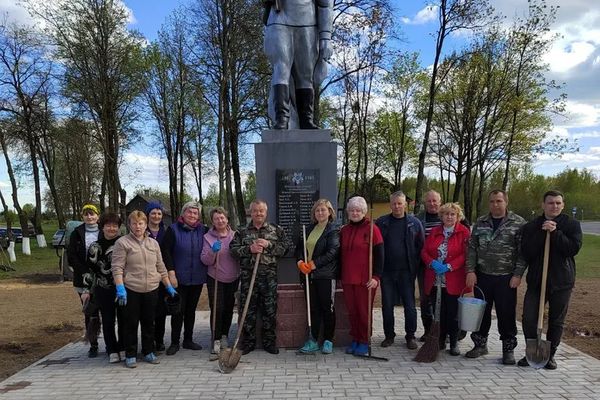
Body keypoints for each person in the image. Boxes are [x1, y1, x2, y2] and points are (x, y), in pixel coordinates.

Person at [517, 190, 582, 370]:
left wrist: (555, 233)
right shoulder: (532, 226)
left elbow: (572, 249)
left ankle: (549, 355)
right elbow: (527, 252)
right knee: (529, 318)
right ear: (543, 205)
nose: (554, 206)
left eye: (557, 203)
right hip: (538, 282)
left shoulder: (571, 225)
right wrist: (541, 233)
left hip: (562, 282)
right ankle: (532, 351)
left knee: (556, 320)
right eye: (551, 203)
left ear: (563, 205)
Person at [464, 190, 526, 365]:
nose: (495, 204)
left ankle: (508, 349)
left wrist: (517, 275)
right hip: (483, 276)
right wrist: (470, 271)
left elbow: (523, 253)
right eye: (492, 201)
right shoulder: (481, 223)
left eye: (499, 201)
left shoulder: (518, 223)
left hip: (506, 278)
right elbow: (472, 249)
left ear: (506, 202)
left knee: (506, 314)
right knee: (481, 313)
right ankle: (480, 344)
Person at [111, 211, 177, 368]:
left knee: (149, 323)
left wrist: (168, 285)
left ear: (146, 225)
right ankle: (131, 354)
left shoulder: (153, 244)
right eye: (134, 223)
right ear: (130, 225)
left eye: (141, 223)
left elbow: (161, 266)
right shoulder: (122, 243)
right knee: (131, 323)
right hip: (131, 289)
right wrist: (120, 287)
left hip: (152, 289)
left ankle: (148, 351)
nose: (138, 226)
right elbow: (117, 267)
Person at [230, 199, 289, 355]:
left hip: (269, 277)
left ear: (266, 212)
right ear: (251, 212)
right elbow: (233, 250)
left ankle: (269, 342)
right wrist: (250, 248)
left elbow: (285, 248)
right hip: (249, 276)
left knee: (269, 310)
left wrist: (269, 245)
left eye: (261, 210)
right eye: (255, 210)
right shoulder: (241, 231)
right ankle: (248, 342)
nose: (258, 213)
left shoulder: (275, 230)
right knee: (248, 310)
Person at [263, 0, 333, 129]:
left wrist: (326, 38)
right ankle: (282, 117)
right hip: (279, 19)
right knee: (281, 69)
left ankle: (306, 119)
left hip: (308, 23)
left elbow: (325, 4)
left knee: (306, 75)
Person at [416, 190, 469, 342]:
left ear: (458, 216)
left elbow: (466, 254)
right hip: (434, 277)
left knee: (451, 311)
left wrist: (450, 266)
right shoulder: (434, 231)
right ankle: (438, 339)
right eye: (446, 214)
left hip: (453, 277)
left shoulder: (463, 232)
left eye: (453, 214)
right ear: (442, 216)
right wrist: (431, 262)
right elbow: (424, 250)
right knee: (436, 310)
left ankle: (453, 341)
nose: (449, 217)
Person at [376, 191, 424, 350]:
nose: (397, 206)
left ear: (405, 204)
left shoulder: (414, 223)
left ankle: (410, 336)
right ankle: (389, 335)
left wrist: (415, 267)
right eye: (394, 203)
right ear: (390, 205)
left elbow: (421, 246)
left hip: (407, 272)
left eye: (400, 203)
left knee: (410, 306)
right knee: (387, 305)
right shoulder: (382, 222)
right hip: (387, 272)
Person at [161, 201, 208, 356]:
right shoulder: (173, 229)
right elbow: (165, 251)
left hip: (197, 277)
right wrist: (171, 272)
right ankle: (174, 342)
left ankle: (188, 339)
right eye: (189, 212)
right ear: (183, 213)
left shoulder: (204, 230)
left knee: (190, 310)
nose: (192, 215)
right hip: (178, 278)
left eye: (195, 213)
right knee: (177, 311)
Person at [339, 196, 383, 356]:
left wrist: (376, 277)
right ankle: (355, 339)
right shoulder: (344, 230)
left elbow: (380, 255)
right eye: (352, 210)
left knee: (364, 312)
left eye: (358, 210)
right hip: (348, 279)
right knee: (352, 312)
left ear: (364, 212)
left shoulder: (372, 228)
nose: (355, 213)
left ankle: (364, 340)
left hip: (365, 280)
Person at [295, 199, 340, 354]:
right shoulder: (308, 229)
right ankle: (313, 340)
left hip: (325, 275)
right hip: (308, 276)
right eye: (317, 210)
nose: (320, 213)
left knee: (327, 308)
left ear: (329, 212)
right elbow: (299, 248)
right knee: (313, 309)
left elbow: (333, 252)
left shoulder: (333, 230)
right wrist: (301, 262)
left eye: (323, 210)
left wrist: (313, 264)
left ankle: (328, 340)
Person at [85, 211, 124, 363]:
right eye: (108, 226)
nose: (112, 229)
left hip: (122, 288)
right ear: (102, 227)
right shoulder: (95, 247)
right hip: (103, 289)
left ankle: (123, 347)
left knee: (124, 320)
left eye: (115, 226)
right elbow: (90, 270)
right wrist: (87, 290)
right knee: (108, 320)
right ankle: (111, 349)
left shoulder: (124, 242)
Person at [200, 207, 239, 355]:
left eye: (222, 217)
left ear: (227, 219)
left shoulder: (235, 236)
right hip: (215, 278)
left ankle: (224, 336)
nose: (220, 220)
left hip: (233, 277)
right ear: (213, 221)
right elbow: (204, 260)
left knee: (229, 308)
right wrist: (212, 251)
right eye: (216, 218)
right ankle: (215, 339)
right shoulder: (208, 238)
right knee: (217, 308)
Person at [68, 203, 102, 358]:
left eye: (92, 214)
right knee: (90, 311)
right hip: (83, 278)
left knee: (107, 311)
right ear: (83, 216)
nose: (89, 217)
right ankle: (93, 343)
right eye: (86, 214)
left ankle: (111, 342)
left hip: (102, 276)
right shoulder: (77, 233)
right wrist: (85, 271)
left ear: (97, 216)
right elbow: (72, 256)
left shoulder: (104, 231)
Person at [145, 201, 168, 352]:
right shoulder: (141, 231)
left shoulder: (166, 232)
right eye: (153, 213)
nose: (156, 216)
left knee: (161, 311)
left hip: (162, 276)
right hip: (146, 276)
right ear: (148, 215)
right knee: (148, 312)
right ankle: (149, 342)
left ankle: (159, 340)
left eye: (159, 213)